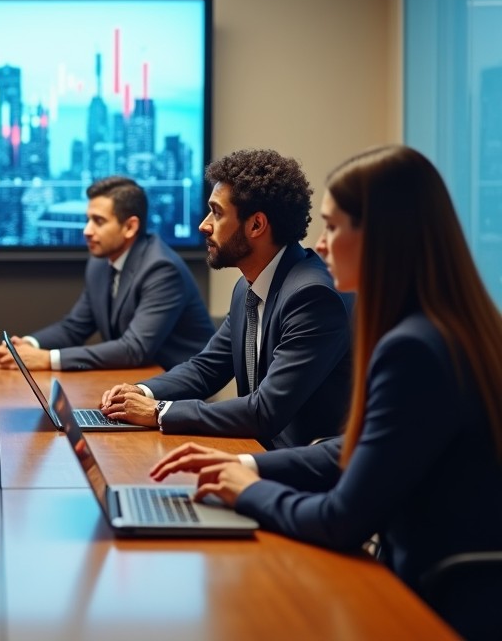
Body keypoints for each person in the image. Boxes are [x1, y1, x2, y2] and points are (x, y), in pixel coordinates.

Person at [149, 146, 502, 633]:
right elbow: (351, 450)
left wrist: (247, 491)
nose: (321, 242)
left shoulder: (414, 349)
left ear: (383, 238)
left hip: (434, 605)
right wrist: (243, 464)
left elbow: (342, 520)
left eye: (334, 227)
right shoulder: (437, 328)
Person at [100, 150, 352, 448]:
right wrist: (140, 392)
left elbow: (265, 411)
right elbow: (205, 369)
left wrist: (158, 413)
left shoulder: (311, 295)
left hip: (303, 470)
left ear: (256, 225)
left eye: (217, 213)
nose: (204, 225)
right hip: (257, 450)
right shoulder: (248, 287)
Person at [0, 176, 214, 372]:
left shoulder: (162, 269)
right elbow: (74, 327)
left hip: (176, 394)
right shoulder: (100, 263)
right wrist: (29, 345)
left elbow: (134, 349)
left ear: (130, 227)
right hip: (131, 380)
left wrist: (48, 359)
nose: (87, 231)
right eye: (88, 220)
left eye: (98, 221)